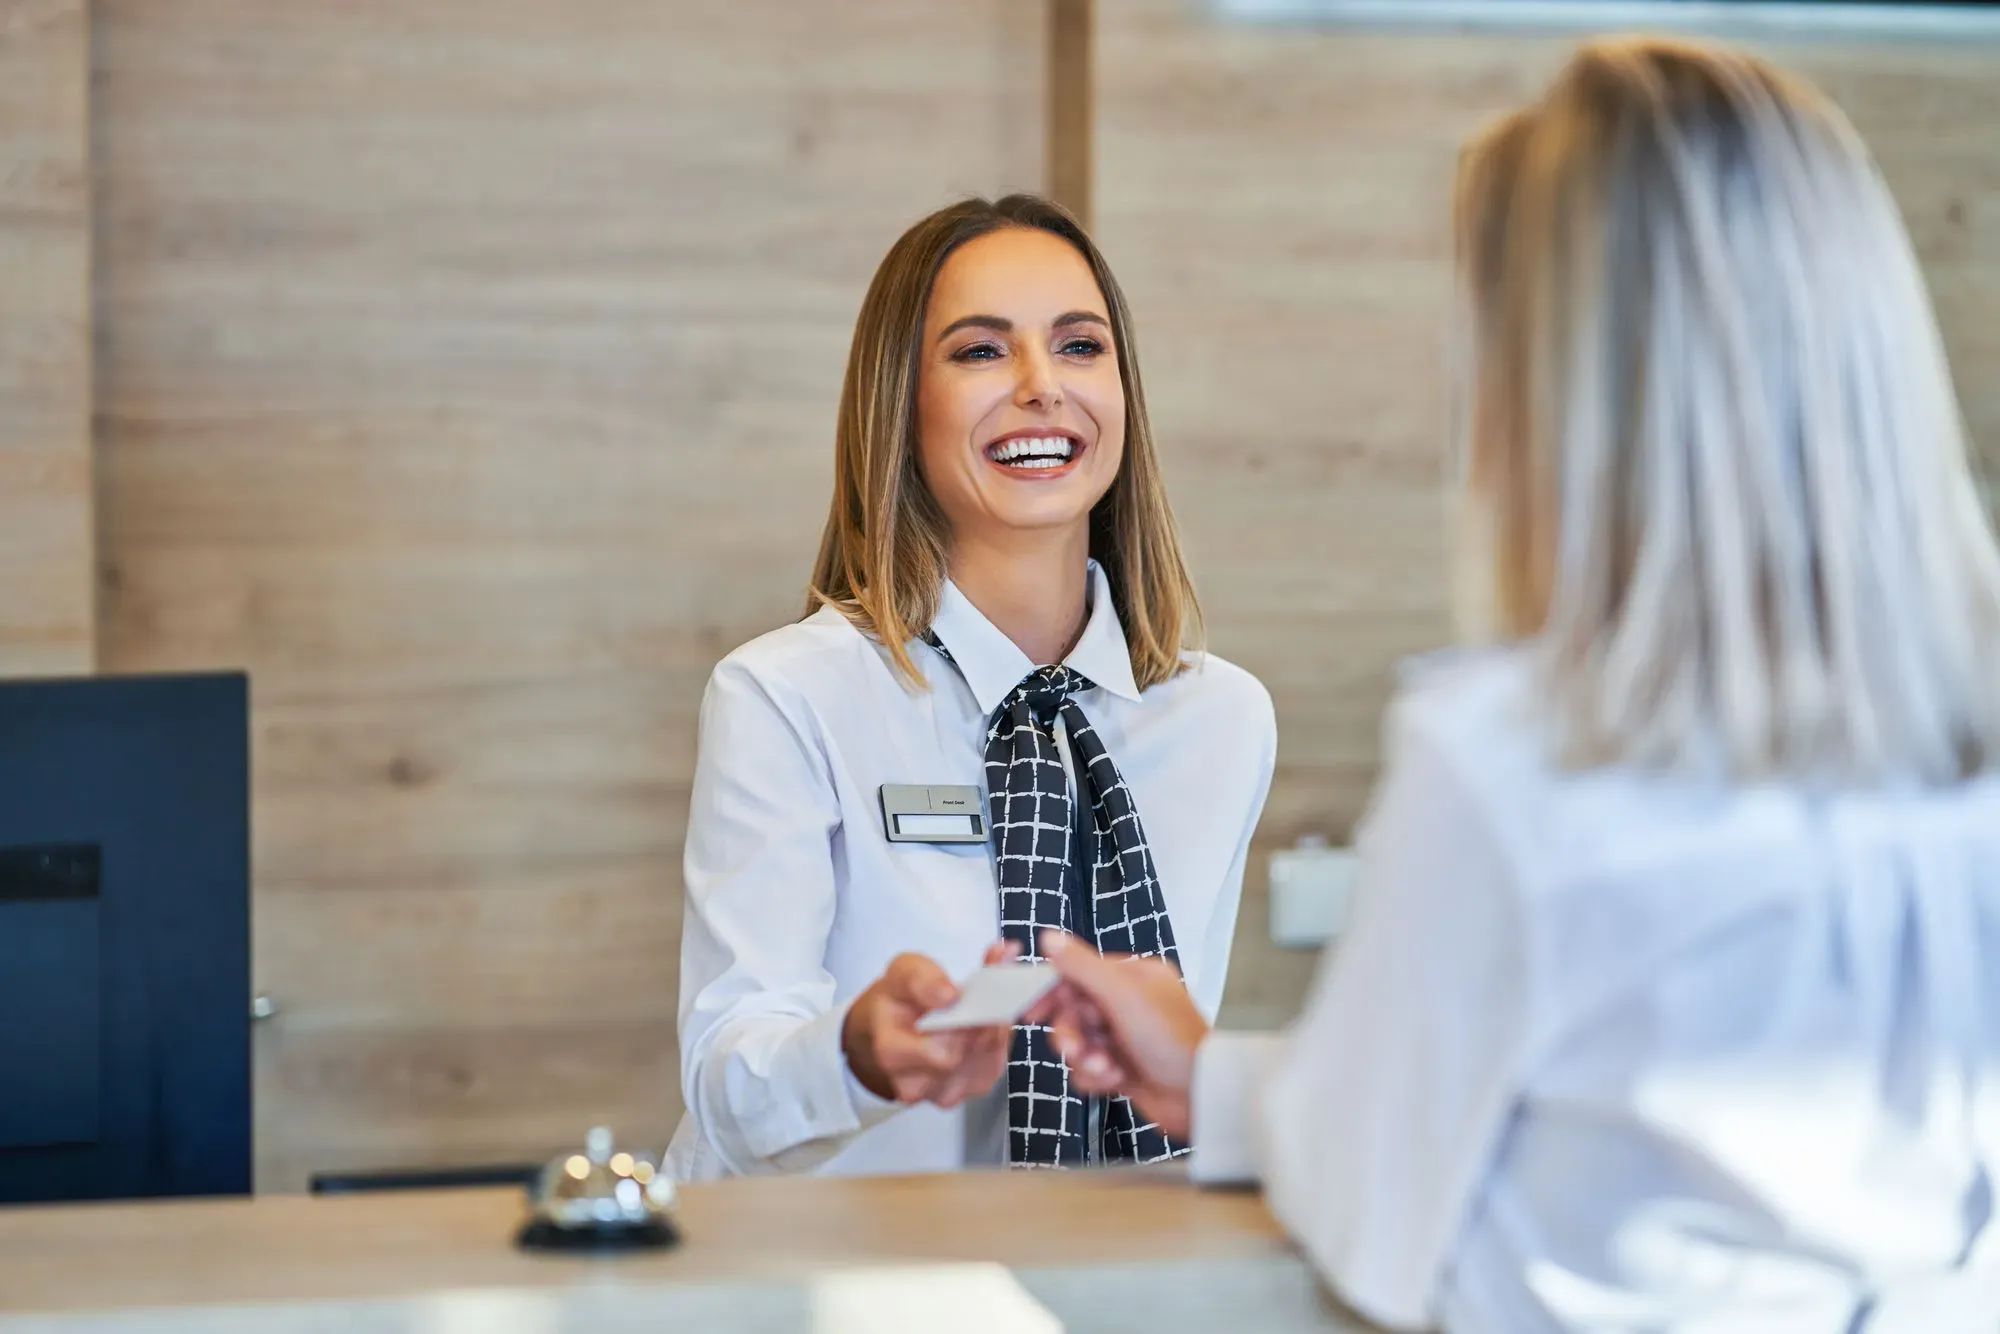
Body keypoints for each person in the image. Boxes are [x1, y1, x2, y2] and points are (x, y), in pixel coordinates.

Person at [1028, 38, 2000, 1334]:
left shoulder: (1511, 758)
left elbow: (1374, 1217)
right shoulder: (1961, 753)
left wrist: (1225, 1083)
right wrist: (1214, 1076)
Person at [666, 194, 1277, 1180]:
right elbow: (727, 1084)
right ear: (900, 403)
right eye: (981, 352)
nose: (1041, 387)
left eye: (1079, 346)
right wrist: (853, 1053)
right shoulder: (785, 696)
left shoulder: (1222, 718)